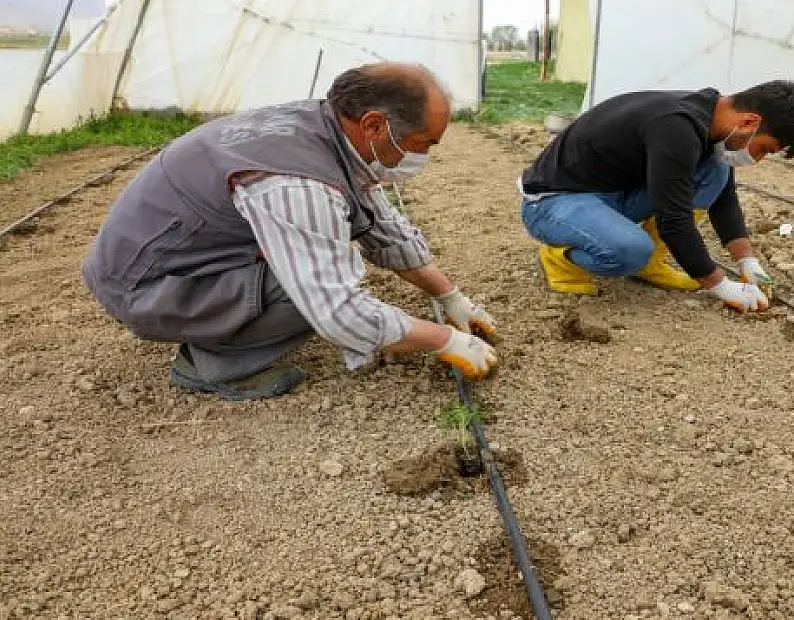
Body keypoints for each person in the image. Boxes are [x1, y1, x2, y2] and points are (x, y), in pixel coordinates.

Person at [81, 62, 498, 401]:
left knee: (327, 257)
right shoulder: (295, 181)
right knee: (325, 278)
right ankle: (214, 365)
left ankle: (231, 328)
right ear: (373, 124)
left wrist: (450, 296)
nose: (423, 155)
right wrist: (445, 340)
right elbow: (337, 310)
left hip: (171, 264)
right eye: (422, 143)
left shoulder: (326, 130)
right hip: (146, 287)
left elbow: (379, 225)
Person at [517, 81, 794, 312]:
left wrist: (748, 261)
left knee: (716, 171)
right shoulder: (677, 126)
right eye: (764, 148)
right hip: (553, 200)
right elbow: (675, 220)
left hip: (611, 193)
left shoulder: (708, 118)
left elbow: (724, 198)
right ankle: (560, 259)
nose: (759, 158)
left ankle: (651, 265)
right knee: (630, 250)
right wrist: (720, 286)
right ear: (750, 122)